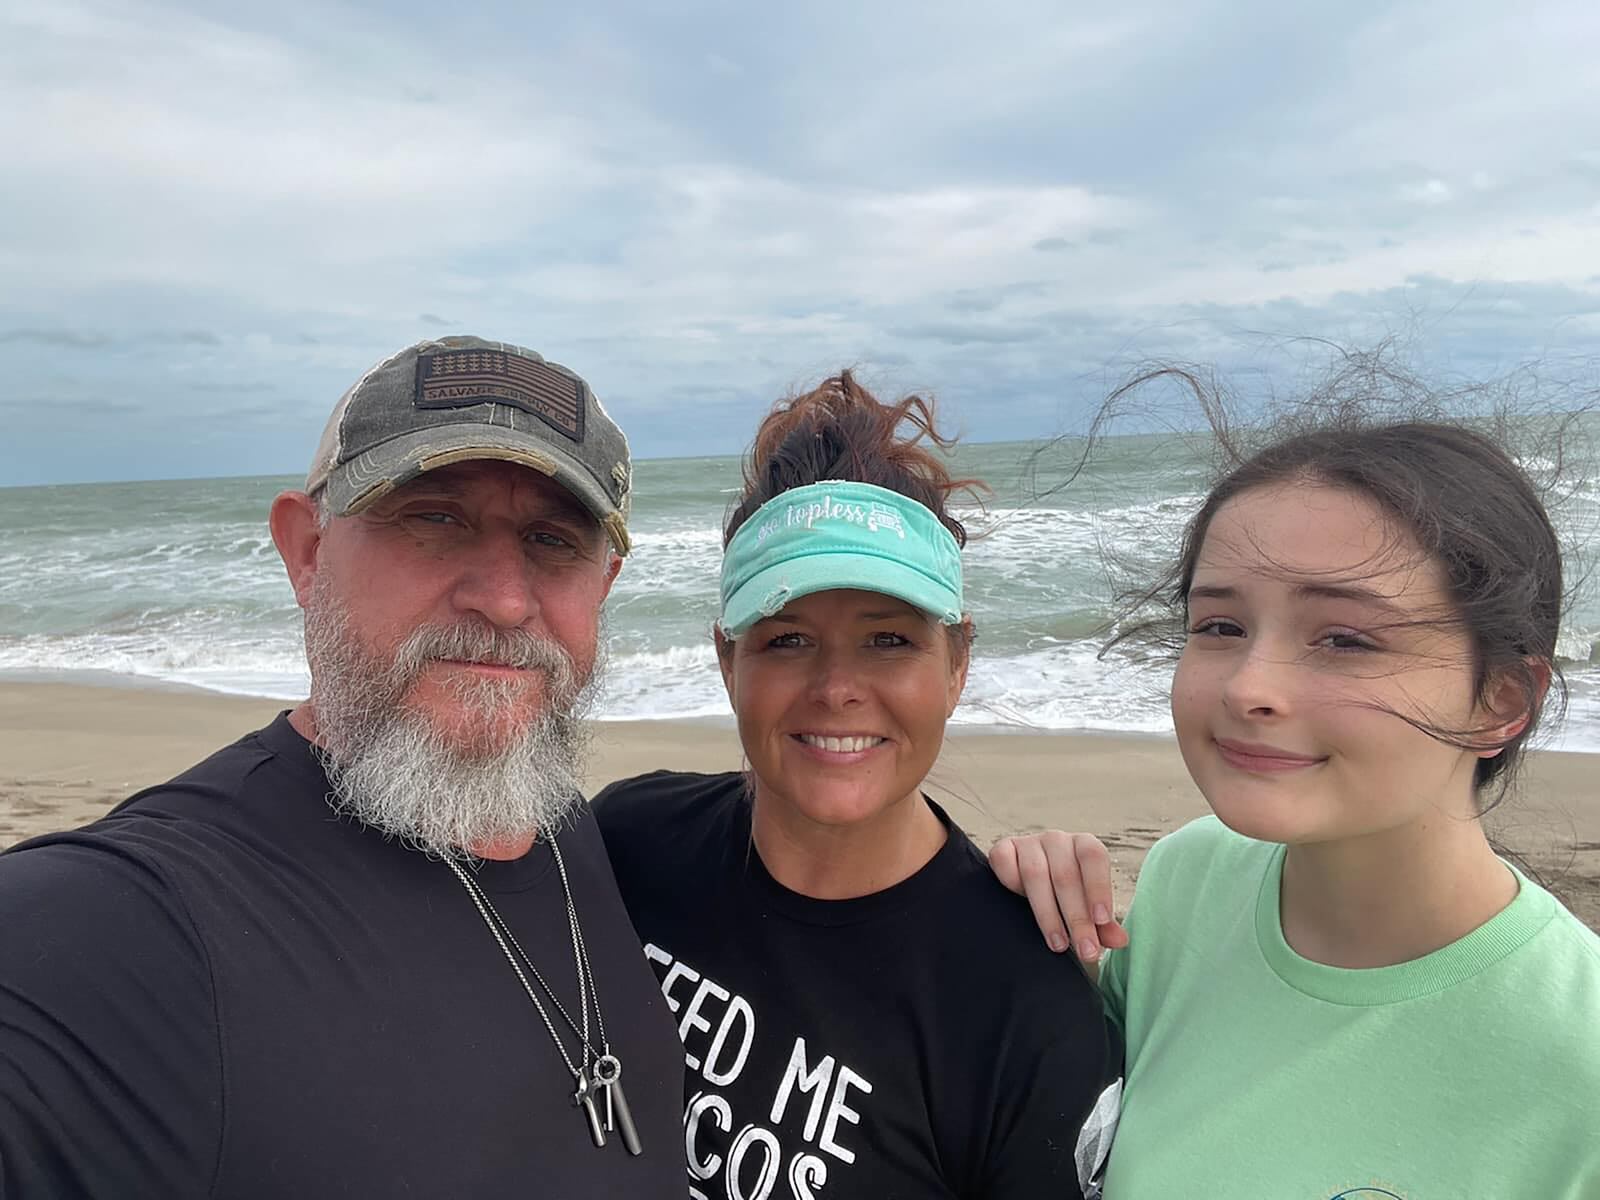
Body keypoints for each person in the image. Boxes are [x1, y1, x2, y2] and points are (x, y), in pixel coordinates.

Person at [0, 337, 687, 1197]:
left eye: (555, 540)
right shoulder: (131, 926)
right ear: (307, 551)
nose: (507, 599)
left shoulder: (577, 830)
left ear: (606, 585)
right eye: (435, 517)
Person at [992, 401, 1600, 1196]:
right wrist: (1022, 938)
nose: (1250, 687)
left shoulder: (1578, 1057)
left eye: (1344, 639)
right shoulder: (1187, 883)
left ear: (1501, 700)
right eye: (1219, 626)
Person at [592, 373, 1123, 1199]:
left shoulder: (1025, 1006)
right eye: (788, 638)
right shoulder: (627, 843)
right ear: (729, 662)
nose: (837, 687)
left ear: (957, 665)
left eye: (887, 639)